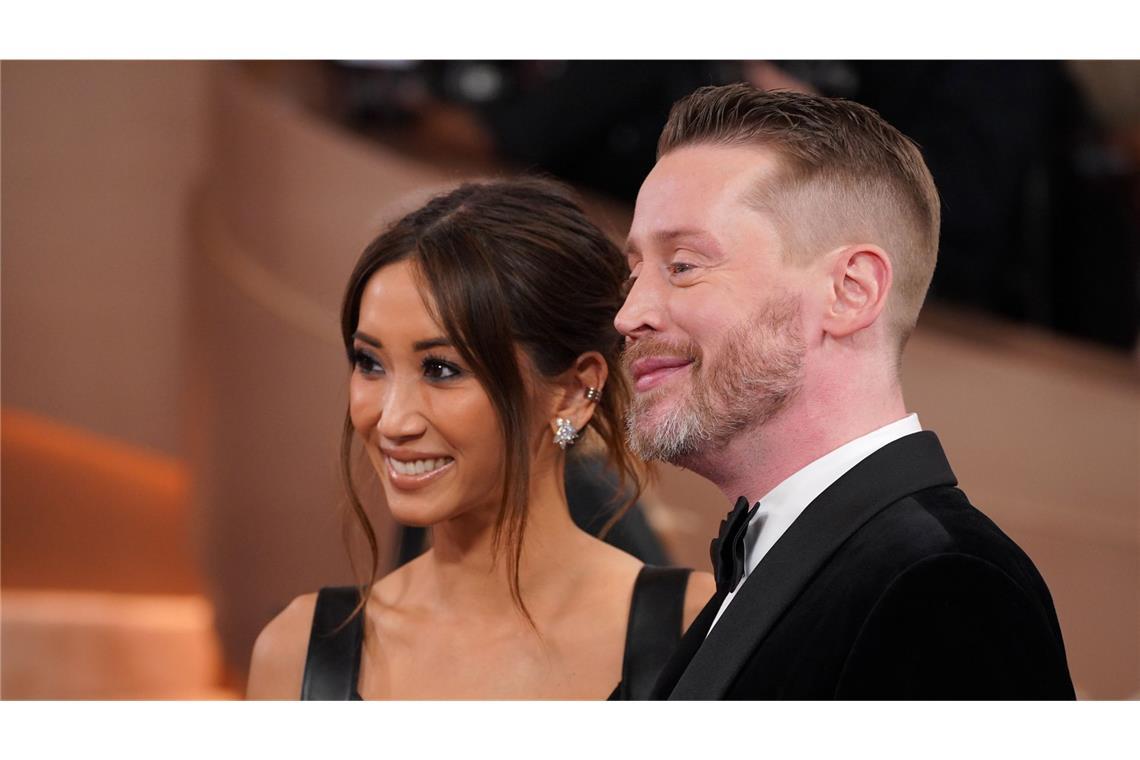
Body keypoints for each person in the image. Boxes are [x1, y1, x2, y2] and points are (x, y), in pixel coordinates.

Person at [615, 83, 1075, 699]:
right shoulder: (793, 560)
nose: (629, 314)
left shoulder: (943, 583)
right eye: (634, 273)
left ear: (850, 291)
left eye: (683, 266)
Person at [246, 177, 714, 699]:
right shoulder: (295, 652)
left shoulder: (698, 633)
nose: (392, 421)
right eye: (370, 363)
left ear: (573, 391)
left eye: (441, 369)